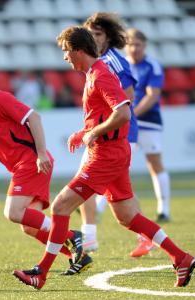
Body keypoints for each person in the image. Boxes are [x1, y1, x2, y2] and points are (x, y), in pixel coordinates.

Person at [13, 26, 195, 290]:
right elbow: (104, 115)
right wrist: (83, 133)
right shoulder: (92, 74)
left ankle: (41, 272)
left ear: (78, 50)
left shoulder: (100, 75)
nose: (65, 58)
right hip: (113, 151)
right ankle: (181, 257)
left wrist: (94, 133)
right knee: (127, 216)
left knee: (60, 207)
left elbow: (123, 112)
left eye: (66, 52)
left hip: (106, 155)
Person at [0, 59, 92, 276]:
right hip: (21, 167)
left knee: (13, 212)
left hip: (31, 162)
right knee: (29, 226)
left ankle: (72, 236)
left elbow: (34, 118)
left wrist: (42, 153)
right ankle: (77, 255)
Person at [79, 12, 144, 255]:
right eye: (91, 34)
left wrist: (101, 125)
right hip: (103, 132)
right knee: (120, 191)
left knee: (82, 183)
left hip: (119, 132)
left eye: (98, 34)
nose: (94, 38)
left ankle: (89, 238)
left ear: (108, 37)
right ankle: (145, 235)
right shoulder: (93, 61)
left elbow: (128, 98)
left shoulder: (113, 62)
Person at [125, 28, 171, 223]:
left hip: (148, 120)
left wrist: (131, 114)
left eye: (138, 44)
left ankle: (164, 209)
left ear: (144, 46)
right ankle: (98, 208)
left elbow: (153, 96)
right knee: (119, 164)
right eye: (131, 44)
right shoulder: (123, 65)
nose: (134, 48)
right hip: (127, 119)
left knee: (154, 163)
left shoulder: (152, 65)